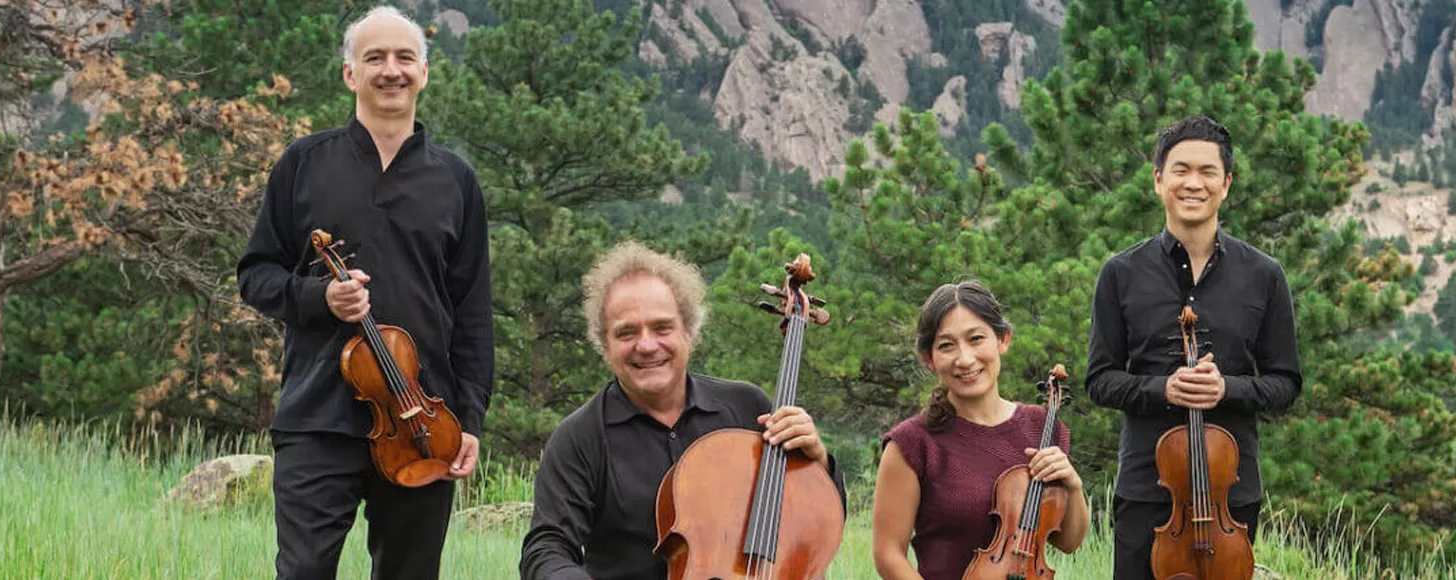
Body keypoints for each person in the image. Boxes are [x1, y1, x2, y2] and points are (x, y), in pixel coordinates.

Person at [235, 6, 492, 579]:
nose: (390, 70)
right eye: (374, 58)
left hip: (424, 422)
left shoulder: (455, 180)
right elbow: (256, 274)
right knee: (301, 572)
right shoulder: (303, 162)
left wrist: (470, 418)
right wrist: (318, 298)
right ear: (350, 74)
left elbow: (472, 312)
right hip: (316, 417)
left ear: (424, 73)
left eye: (404, 58)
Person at [519, 241, 846, 580]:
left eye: (662, 328)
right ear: (605, 346)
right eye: (626, 333)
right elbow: (546, 549)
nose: (646, 346)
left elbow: (815, 528)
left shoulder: (748, 408)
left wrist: (818, 462)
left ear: (689, 332)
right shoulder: (580, 437)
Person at [1085, 115, 1303, 579]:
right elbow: (1100, 380)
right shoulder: (1120, 274)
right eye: (1180, 170)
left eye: (1207, 172)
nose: (1193, 183)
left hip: (1231, 496)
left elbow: (1285, 383)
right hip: (1147, 490)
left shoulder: (1264, 276)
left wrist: (1228, 391)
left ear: (1226, 184)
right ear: (1159, 180)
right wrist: (1163, 389)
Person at [871, 281, 1091, 580]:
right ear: (929, 359)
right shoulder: (911, 443)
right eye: (946, 345)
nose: (965, 359)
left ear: (1003, 340)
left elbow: (1068, 542)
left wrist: (1073, 485)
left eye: (976, 339)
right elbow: (887, 554)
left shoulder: (1043, 427)